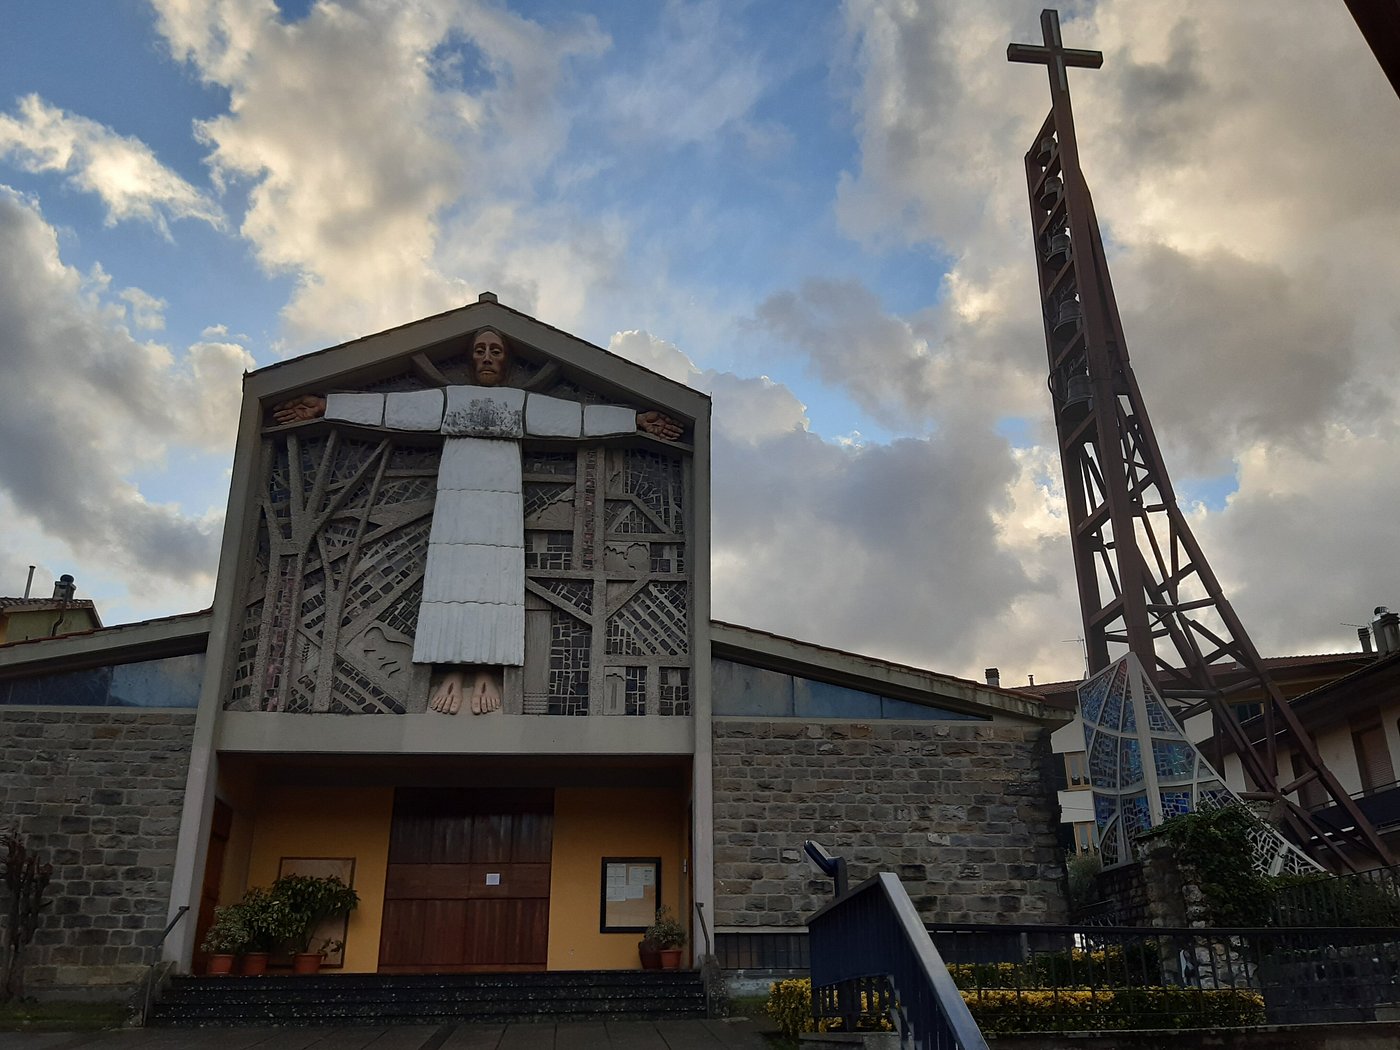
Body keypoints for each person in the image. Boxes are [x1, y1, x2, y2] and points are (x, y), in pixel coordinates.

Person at [271, 327, 681, 716]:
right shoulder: (451, 400)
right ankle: (450, 671)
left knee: (496, 584)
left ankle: (487, 672)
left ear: (506, 361)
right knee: (449, 583)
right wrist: (327, 407)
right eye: (480, 351)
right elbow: (390, 409)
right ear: (470, 360)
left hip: (502, 515)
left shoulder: (517, 404)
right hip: (454, 512)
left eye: (496, 351)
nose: (487, 357)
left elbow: (576, 418)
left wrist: (633, 422)